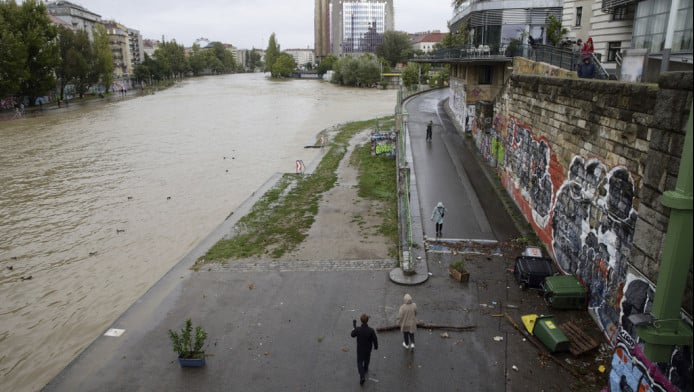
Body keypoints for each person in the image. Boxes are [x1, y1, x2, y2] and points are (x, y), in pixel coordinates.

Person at [350, 313, 378, 385]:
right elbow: (375, 339)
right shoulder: (371, 330)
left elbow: (352, 335)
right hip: (368, 349)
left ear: (361, 321)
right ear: (367, 321)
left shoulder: (358, 329)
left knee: (359, 362)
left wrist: (354, 327)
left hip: (360, 349)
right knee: (367, 359)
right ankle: (365, 369)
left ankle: (362, 376)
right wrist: (376, 346)